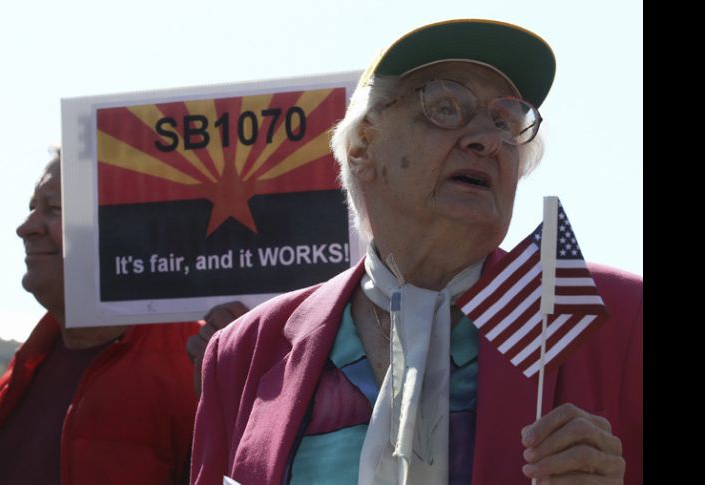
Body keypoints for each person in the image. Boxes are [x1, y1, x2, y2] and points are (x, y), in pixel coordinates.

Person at [190, 19, 642, 485]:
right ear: (364, 145)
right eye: (445, 107)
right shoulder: (244, 351)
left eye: (506, 122)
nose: (486, 139)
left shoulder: (620, 318)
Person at [0, 149, 246, 485]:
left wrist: (227, 402)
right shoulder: (25, 365)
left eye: (53, 209)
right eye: (31, 209)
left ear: (121, 227)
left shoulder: (195, 367)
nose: (24, 228)